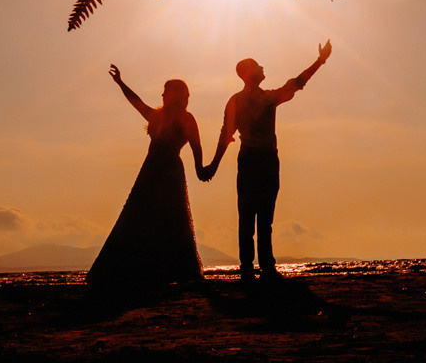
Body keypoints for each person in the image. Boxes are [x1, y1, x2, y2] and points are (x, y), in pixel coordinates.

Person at [206, 41, 331, 281]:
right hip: (260, 160)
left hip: (258, 160)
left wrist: (214, 164)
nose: (263, 67)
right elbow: (226, 134)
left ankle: (254, 266)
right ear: (248, 73)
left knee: (255, 216)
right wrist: (214, 164)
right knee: (258, 216)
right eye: (257, 66)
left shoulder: (255, 98)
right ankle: (260, 266)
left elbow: (296, 83)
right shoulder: (257, 99)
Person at [86, 66, 208, 288]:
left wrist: (204, 167)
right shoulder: (156, 116)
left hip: (169, 172)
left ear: (176, 94)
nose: (162, 95)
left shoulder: (187, 119)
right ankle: (139, 269)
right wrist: (121, 83)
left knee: (169, 220)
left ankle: (168, 269)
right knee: (138, 218)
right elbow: (136, 101)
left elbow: (197, 149)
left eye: (165, 91)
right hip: (150, 171)